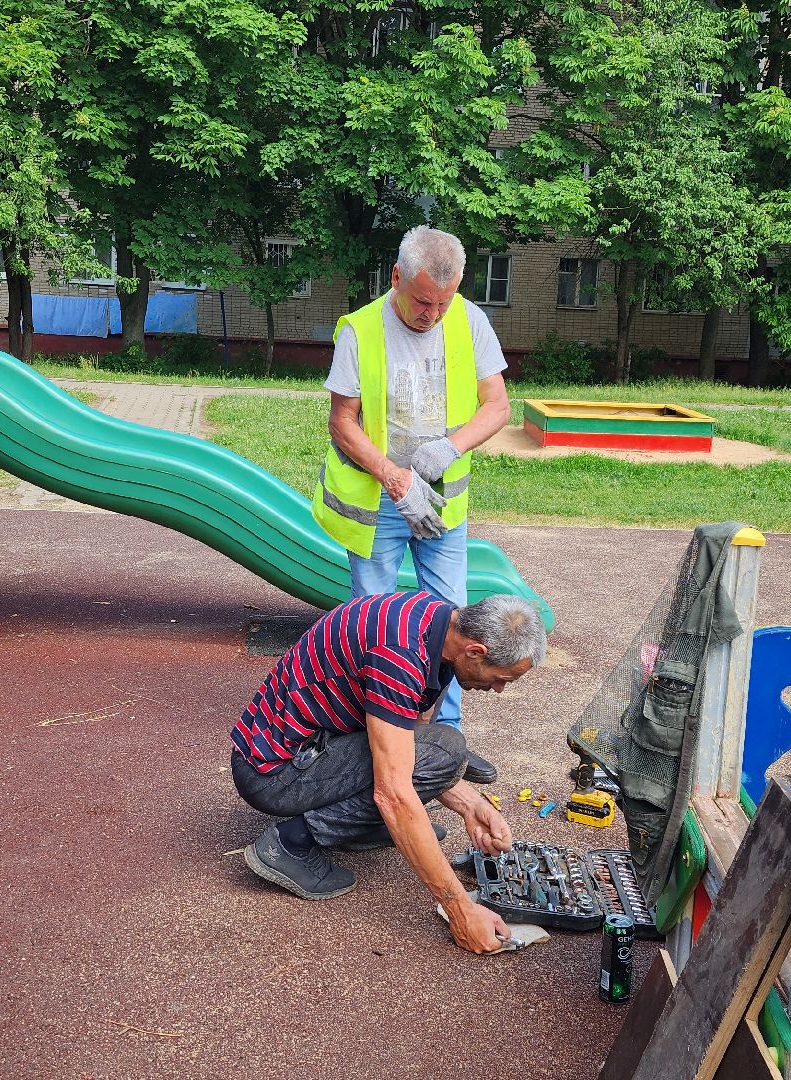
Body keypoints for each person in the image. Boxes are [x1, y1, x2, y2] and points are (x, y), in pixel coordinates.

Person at [230, 591, 547, 954]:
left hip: (306, 745)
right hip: (274, 772)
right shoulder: (399, 656)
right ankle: (292, 842)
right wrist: (461, 910)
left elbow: (411, 744)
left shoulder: (438, 625)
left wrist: (471, 806)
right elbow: (394, 791)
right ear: (475, 651)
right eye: (500, 677)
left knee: (440, 752)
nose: (499, 689)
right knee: (446, 751)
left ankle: (355, 824)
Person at [312, 226, 514, 785]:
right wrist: (395, 478)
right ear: (396, 277)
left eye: (442, 303)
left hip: (442, 504)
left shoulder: (469, 321)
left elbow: (497, 406)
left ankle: (443, 743)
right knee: (375, 622)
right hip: (378, 504)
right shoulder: (360, 330)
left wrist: (450, 446)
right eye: (423, 301)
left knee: (452, 618)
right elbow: (342, 423)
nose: (431, 314)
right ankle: (377, 744)